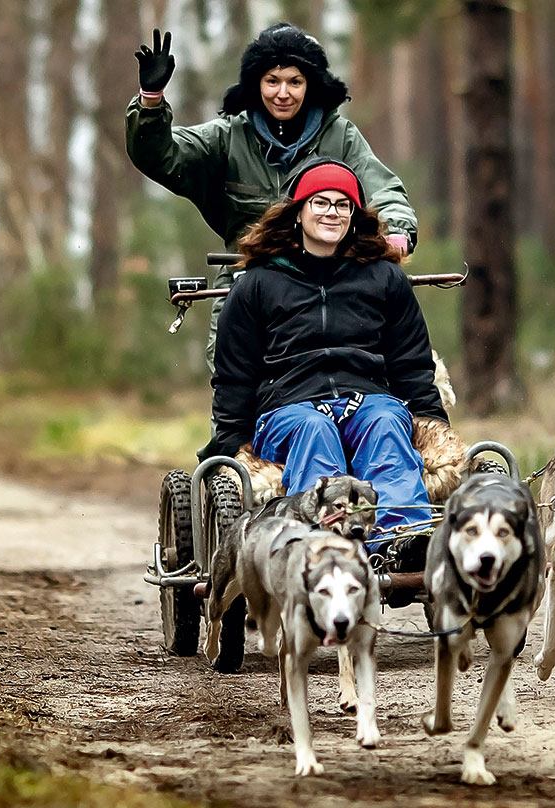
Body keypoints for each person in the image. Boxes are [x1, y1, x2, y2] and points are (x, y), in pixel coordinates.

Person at [126, 23, 418, 371]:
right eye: (272, 81)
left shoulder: (341, 138)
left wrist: (397, 230)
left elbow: (382, 187)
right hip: (245, 289)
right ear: (255, 84)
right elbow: (161, 155)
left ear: (311, 85)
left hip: (330, 292)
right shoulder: (228, 136)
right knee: (237, 396)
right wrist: (151, 101)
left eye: (295, 81)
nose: (283, 93)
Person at [210, 158, 447, 545]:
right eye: (320, 202)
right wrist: (231, 444)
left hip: (367, 400)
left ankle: (401, 536)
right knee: (314, 429)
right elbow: (235, 375)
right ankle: (322, 539)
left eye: (342, 204)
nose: (331, 212)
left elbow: (411, 361)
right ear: (298, 212)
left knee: (387, 421)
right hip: (289, 410)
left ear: (354, 215)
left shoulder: (383, 277)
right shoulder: (257, 284)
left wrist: (433, 426)